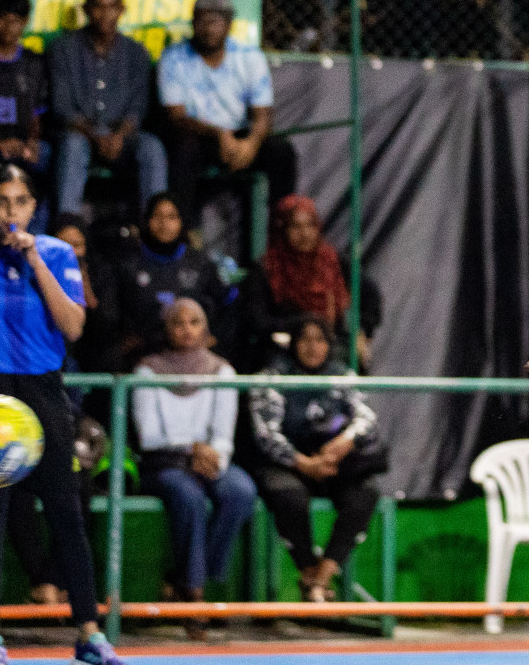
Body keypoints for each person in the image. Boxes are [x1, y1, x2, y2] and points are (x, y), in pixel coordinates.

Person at [0, 163, 129, 665]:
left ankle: (89, 634)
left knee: (66, 513)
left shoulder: (59, 253)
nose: (11, 212)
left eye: (20, 202)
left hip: (44, 391)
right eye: (1, 202)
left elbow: (73, 325)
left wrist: (36, 260)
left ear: (34, 208)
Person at [134, 298, 256, 635]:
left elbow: (223, 433)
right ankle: (195, 595)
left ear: (206, 327)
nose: (186, 330)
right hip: (165, 463)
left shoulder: (222, 370)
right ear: (167, 329)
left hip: (209, 460)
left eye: (194, 322)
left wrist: (212, 456)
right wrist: (191, 449)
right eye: (178, 323)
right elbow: (149, 435)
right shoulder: (148, 370)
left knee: (240, 491)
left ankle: (185, 576)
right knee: (186, 496)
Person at [248, 317, 383, 603]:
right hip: (286, 464)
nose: (313, 347)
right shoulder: (271, 377)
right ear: (293, 343)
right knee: (289, 497)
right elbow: (266, 435)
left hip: (330, 462)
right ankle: (309, 573)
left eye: (319, 340)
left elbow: (367, 416)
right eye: (305, 340)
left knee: (365, 493)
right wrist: (304, 464)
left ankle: (323, 576)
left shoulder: (340, 374)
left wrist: (344, 442)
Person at [159, 0, 296, 223]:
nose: (209, 29)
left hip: (240, 138)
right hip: (198, 135)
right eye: (202, 21)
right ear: (193, 24)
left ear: (229, 25)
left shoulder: (250, 57)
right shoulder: (174, 57)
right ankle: (186, 233)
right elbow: (176, 117)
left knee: (280, 151)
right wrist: (218, 134)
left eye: (216, 22)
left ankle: (281, 229)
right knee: (183, 151)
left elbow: (263, 115)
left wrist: (252, 143)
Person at [48, 0, 168, 218]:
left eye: (112, 6)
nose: (105, 14)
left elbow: (138, 107)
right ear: (86, 10)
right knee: (72, 146)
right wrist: (96, 137)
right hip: (80, 136)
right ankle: (67, 228)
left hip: (121, 138)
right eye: (98, 6)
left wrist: (119, 136)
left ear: (121, 10)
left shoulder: (136, 53)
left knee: (151, 147)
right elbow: (62, 108)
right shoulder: (63, 49)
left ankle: (155, 230)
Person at [245, 194, 379, 369]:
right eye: (295, 226)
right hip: (283, 350)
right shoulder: (267, 268)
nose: (305, 234)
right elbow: (258, 320)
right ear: (282, 229)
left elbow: (370, 296)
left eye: (310, 225)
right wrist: (302, 324)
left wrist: (361, 331)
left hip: (330, 349)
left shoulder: (332, 261)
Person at [109, 193, 235, 367]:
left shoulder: (199, 262)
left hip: (194, 354)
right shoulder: (128, 264)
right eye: (157, 216)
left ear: (181, 221)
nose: (164, 223)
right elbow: (111, 311)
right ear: (147, 220)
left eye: (171, 217)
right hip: (142, 356)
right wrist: (122, 337)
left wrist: (215, 336)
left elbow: (231, 303)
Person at [0, 0, 49, 226]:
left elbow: (36, 115)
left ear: (25, 22)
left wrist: (31, 142)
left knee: (52, 159)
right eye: (3, 19)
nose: (9, 27)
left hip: (20, 143)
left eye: (16, 21)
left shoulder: (33, 63)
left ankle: (35, 239)